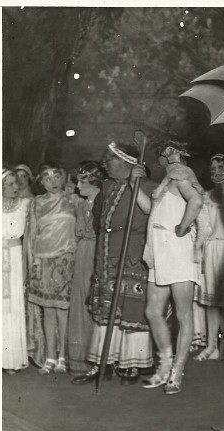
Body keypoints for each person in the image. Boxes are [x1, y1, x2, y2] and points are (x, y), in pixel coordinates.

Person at [73, 142, 155, 386]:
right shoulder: (107, 187)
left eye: (109, 159)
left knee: (131, 308)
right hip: (106, 253)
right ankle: (102, 362)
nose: (104, 164)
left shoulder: (149, 186)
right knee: (105, 309)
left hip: (133, 253)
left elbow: (153, 215)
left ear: (126, 162)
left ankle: (131, 363)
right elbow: (99, 218)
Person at [135, 139, 208, 394]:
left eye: (166, 153)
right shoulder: (168, 181)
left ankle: (177, 371)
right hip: (159, 248)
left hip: (177, 249)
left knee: (182, 314)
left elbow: (197, 203)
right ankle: (166, 364)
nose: (162, 158)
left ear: (177, 154)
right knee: (153, 311)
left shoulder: (180, 174)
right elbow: (149, 210)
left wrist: (183, 226)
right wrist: (135, 183)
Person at [26, 164, 76, 375]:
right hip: (43, 261)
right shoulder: (36, 203)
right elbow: (32, 235)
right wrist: (32, 263)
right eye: (47, 178)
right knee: (48, 310)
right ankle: (50, 356)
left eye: (56, 177)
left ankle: (63, 356)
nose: (53, 182)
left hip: (65, 259)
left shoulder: (72, 200)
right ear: (41, 182)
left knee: (63, 309)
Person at [193, 154, 224, 362]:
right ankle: (211, 344)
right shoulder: (205, 196)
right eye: (212, 168)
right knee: (211, 301)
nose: (215, 172)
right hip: (210, 250)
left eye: (220, 167)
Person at [67, 161, 106, 375]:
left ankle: (97, 356)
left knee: (95, 300)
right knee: (81, 299)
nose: (78, 186)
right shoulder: (81, 204)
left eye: (82, 181)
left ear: (93, 181)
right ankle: (80, 358)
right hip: (82, 253)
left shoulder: (104, 203)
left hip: (96, 252)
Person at [3, 169, 31, 374]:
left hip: (14, 255)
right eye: (10, 184)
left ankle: (10, 359)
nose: (15, 187)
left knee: (12, 306)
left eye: (16, 183)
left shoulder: (25, 205)